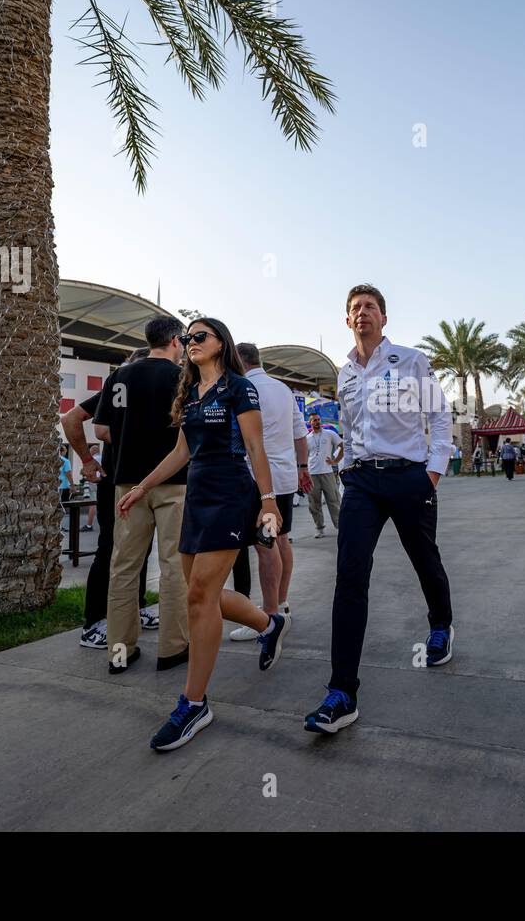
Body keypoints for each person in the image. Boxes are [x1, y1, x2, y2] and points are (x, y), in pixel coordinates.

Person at [118, 316, 287, 752]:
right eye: (187, 338)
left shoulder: (239, 387)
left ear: (220, 343)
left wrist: (268, 501)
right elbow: (182, 452)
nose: (191, 342)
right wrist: (142, 487)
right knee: (201, 591)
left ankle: (194, 703)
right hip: (197, 495)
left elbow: (254, 447)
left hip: (231, 493)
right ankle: (270, 624)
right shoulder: (190, 394)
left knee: (198, 597)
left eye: (200, 336)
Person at [304, 284, 454, 736]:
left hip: (410, 477)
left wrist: (432, 473)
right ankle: (341, 693)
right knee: (350, 576)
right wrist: (348, 468)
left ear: (384, 319)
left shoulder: (410, 360)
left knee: (424, 559)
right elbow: (348, 427)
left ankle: (441, 625)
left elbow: (441, 417)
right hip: (362, 483)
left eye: (370, 307)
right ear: (347, 321)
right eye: (354, 309)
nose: (362, 313)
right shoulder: (345, 373)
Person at [94, 317, 192, 673]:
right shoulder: (182, 378)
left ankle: (119, 651)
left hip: (127, 484)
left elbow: (101, 428)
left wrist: (130, 435)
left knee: (123, 567)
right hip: (173, 482)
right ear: (176, 342)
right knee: (173, 566)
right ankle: (172, 648)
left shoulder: (119, 376)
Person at [67, 349, 156, 649]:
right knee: (109, 547)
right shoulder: (116, 388)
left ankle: (138, 608)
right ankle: (93, 623)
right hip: (116, 481)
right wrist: (87, 461)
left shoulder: (144, 393)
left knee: (141, 546)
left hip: (145, 483)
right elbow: (73, 419)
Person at [228, 343, 310, 642]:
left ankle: (267, 616)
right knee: (281, 539)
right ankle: (282, 603)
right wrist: (302, 467)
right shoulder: (283, 389)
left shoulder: (241, 386)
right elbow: (300, 434)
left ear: (239, 360)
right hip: (284, 476)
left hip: (255, 478)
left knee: (265, 545)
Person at [305, 412, 343, 538]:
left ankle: (340, 526)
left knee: (334, 501)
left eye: (318, 419)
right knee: (314, 503)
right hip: (312, 474)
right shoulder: (307, 438)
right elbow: (303, 456)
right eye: (314, 420)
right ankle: (319, 528)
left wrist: (335, 461)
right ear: (310, 423)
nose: (317, 422)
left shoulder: (329, 434)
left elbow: (342, 446)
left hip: (327, 472)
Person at [82, 444, 100, 531]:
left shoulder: (92, 460)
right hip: (103, 483)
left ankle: (89, 525)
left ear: (92, 452)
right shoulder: (103, 458)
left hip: (94, 482)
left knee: (92, 504)